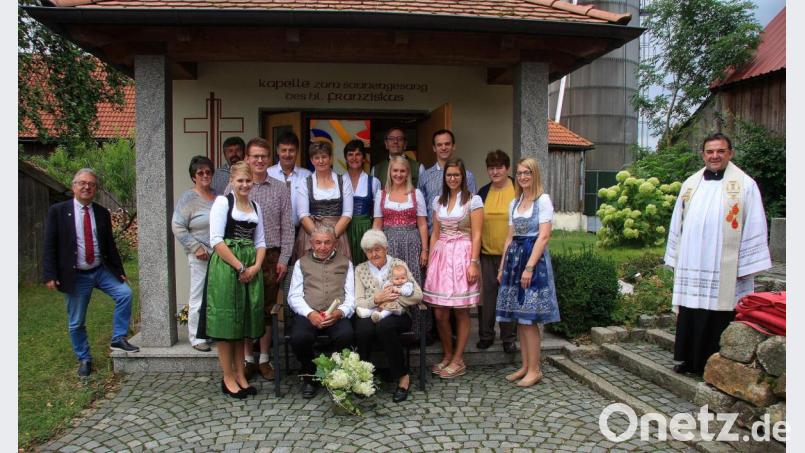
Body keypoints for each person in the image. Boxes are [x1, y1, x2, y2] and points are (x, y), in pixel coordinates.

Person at [665, 132, 772, 375]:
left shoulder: (745, 185)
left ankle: (714, 363)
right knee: (690, 309)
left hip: (722, 263)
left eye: (720, 151)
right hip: (693, 259)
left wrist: (746, 264)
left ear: (730, 153)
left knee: (718, 311)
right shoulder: (690, 185)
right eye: (710, 151)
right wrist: (675, 254)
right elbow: (677, 221)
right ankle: (688, 360)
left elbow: (755, 223)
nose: (715, 156)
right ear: (703, 154)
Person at [43, 168, 139, 378]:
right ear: (74, 186)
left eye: (92, 184)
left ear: (96, 189)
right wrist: (49, 274)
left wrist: (119, 271)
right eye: (82, 183)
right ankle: (84, 358)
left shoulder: (101, 212)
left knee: (125, 294)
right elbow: (50, 244)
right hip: (76, 274)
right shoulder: (58, 211)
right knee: (76, 320)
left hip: (100, 269)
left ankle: (118, 337)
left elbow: (110, 245)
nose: (87, 187)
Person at [198, 161, 266, 399]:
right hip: (227, 268)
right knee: (227, 324)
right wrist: (240, 266)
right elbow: (216, 240)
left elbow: (261, 242)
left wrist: (256, 267)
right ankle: (227, 377)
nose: (245, 185)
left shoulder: (256, 206)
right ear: (231, 182)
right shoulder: (222, 203)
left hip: (249, 268)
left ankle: (240, 375)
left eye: (248, 181)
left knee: (241, 324)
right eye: (240, 181)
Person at [232, 137, 294, 381]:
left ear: (269, 159)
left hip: (271, 256)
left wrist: (284, 259)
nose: (259, 160)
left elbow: (287, 227)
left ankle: (265, 359)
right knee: (247, 307)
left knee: (268, 308)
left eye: (263, 156)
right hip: (243, 255)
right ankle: (248, 359)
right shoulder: (236, 186)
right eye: (254, 156)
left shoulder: (280, 188)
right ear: (246, 158)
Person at [496, 157, 560, 387]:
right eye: (520, 173)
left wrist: (529, 267)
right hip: (514, 260)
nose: (523, 177)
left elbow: (543, 237)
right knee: (518, 318)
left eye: (527, 173)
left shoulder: (543, 201)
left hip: (533, 260)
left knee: (529, 319)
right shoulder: (515, 203)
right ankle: (524, 365)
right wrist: (503, 266)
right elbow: (509, 238)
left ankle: (535, 369)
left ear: (535, 175)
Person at [423, 158, 483, 379]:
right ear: (444, 177)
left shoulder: (473, 200)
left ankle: (458, 359)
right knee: (439, 312)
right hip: (441, 256)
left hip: (462, 255)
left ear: (463, 176)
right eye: (449, 175)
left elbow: (477, 234)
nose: (453, 178)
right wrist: (430, 261)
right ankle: (447, 354)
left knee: (461, 309)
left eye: (457, 175)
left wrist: (474, 262)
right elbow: (435, 233)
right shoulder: (438, 201)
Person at [353, 229, 423, 403]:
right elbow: (358, 302)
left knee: (385, 327)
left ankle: (402, 376)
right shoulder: (360, 269)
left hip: (398, 313)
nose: (373, 254)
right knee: (363, 329)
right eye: (369, 250)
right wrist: (376, 299)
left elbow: (417, 295)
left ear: (386, 248)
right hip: (370, 313)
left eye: (377, 249)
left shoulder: (398, 264)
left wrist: (393, 299)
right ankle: (364, 377)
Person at [287, 223, 355, 398]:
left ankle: (336, 375)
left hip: (336, 314)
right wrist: (310, 314)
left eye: (327, 242)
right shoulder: (301, 263)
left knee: (346, 335)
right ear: (311, 242)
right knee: (299, 338)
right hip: (309, 313)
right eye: (318, 242)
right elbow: (294, 296)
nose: (322, 247)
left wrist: (340, 313)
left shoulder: (345, 263)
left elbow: (351, 296)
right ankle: (310, 375)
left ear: (335, 243)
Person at [171, 155, 217, 352]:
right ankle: (196, 337)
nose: (205, 175)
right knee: (198, 296)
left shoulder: (217, 196)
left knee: (214, 296)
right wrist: (195, 248)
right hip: (199, 255)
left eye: (208, 172)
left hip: (218, 256)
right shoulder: (188, 198)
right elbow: (177, 226)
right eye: (200, 173)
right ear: (193, 176)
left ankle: (210, 332)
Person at [476, 150, 518, 353]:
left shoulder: (518, 189)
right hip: (486, 254)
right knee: (487, 297)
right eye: (491, 168)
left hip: (512, 255)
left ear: (507, 168)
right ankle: (486, 335)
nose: (495, 171)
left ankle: (508, 338)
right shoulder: (483, 193)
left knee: (508, 295)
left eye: (499, 167)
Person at [372, 156, 429, 286]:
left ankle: (413, 306)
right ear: (390, 172)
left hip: (412, 244)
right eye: (395, 171)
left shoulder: (416, 193)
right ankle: (391, 306)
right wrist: (375, 248)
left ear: (408, 173)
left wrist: (425, 250)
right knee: (390, 279)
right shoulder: (382, 194)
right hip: (388, 243)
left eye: (402, 171)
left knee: (411, 279)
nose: (398, 174)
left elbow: (422, 224)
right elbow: (377, 224)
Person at [294, 141, 354, 260]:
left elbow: (347, 214)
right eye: (317, 157)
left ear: (331, 158)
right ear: (312, 160)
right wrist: (319, 239)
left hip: (338, 233)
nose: (321, 161)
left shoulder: (344, 181)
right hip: (311, 233)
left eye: (324, 157)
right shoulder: (305, 183)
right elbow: (303, 215)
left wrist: (331, 238)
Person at [418, 129, 477, 233]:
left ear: (453, 146)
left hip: (459, 238)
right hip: (432, 236)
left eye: (447, 144)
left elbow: (473, 210)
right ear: (434, 148)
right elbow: (420, 211)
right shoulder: (425, 177)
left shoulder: (467, 176)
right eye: (439, 145)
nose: (443, 147)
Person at [267, 132, 312, 234]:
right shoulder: (268, 174)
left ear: (297, 151)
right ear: (277, 151)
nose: (287, 155)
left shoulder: (307, 175)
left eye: (291, 150)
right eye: (284, 150)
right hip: (273, 233)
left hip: (301, 232)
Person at [344, 139, 381, 263]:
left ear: (364, 158)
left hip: (366, 230)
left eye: (358, 154)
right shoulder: (338, 181)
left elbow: (378, 214)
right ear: (345, 158)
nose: (354, 158)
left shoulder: (374, 182)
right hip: (343, 229)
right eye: (350, 154)